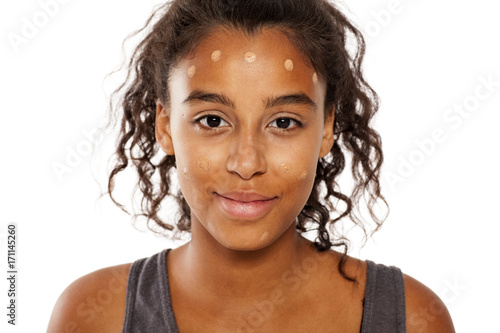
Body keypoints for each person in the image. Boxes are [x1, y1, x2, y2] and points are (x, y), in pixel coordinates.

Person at [47, 0, 455, 331]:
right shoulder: (94, 316)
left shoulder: (410, 319)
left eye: (283, 123)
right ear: (165, 125)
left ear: (327, 129)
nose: (247, 163)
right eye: (212, 121)